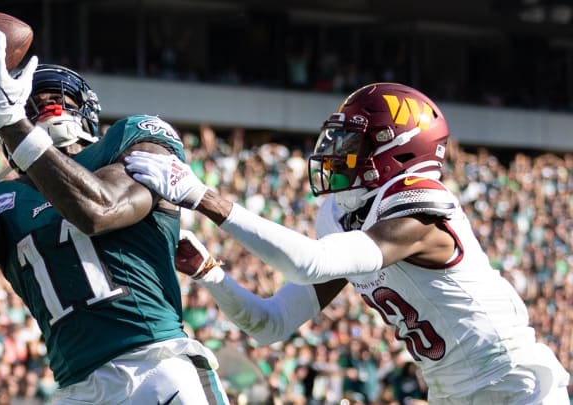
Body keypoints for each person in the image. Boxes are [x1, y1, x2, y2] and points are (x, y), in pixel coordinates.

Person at [124, 82, 572, 404]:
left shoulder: (418, 206)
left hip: (515, 383)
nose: (336, 153)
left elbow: (311, 264)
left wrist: (205, 198)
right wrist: (213, 274)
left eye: (353, 141)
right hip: (449, 389)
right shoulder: (344, 213)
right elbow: (270, 325)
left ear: (396, 150)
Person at [0, 11, 228, 404]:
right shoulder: (4, 196)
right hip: (75, 390)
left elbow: (99, 210)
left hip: (156, 368)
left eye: (59, 96)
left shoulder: (129, 140)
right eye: (31, 103)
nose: (47, 105)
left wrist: (12, 120)